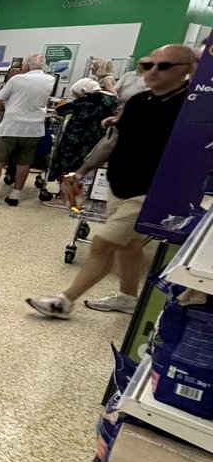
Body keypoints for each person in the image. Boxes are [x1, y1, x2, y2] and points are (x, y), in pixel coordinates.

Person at [27, 44, 197, 319]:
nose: (153, 71)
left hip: (151, 192)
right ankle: (129, 298)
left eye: (164, 66)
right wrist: (80, 173)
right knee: (128, 246)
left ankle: (64, 302)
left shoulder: (190, 108)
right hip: (119, 186)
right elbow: (112, 142)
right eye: (148, 64)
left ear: (186, 70)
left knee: (102, 245)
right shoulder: (139, 102)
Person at [0, 53, 55, 206]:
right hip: (34, 128)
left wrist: (5, 109)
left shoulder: (17, 79)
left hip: (11, 126)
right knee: (24, 162)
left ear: (25, 66)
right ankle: (15, 195)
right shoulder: (50, 80)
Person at [48, 78, 117, 183]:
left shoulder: (87, 98)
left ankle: (65, 190)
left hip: (76, 137)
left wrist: (58, 114)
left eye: (76, 95)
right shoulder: (113, 99)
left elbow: (60, 110)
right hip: (96, 137)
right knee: (86, 165)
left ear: (84, 90)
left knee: (68, 165)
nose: (75, 97)